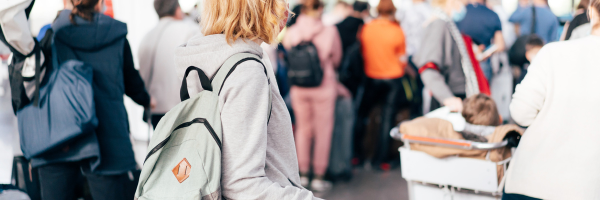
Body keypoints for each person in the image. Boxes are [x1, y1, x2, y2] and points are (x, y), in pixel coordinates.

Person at [176, 0, 320, 198]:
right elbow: (241, 184)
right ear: (261, 8)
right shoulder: (246, 70)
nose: (286, 11)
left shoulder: (205, 54)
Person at [36, 0, 152, 199]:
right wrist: (147, 100)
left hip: (59, 136)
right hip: (109, 136)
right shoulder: (116, 35)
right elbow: (131, 81)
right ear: (100, 3)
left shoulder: (52, 34)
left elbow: (36, 83)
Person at [505, 1, 600, 199]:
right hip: (586, 189)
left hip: (532, 184)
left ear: (591, 12)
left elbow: (521, 113)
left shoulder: (553, 53)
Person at [282, 0, 343, 191]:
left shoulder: (291, 32)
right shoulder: (330, 31)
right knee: (322, 131)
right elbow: (336, 59)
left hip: (299, 88)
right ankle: (318, 176)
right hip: (323, 86)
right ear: (319, 8)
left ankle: (303, 175)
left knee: (302, 130)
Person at [354, 0, 409, 169]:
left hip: (372, 77)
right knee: (387, 118)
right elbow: (402, 59)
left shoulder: (367, 28)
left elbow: (362, 52)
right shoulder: (397, 30)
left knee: (362, 115)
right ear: (393, 11)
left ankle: (358, 156)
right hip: (393, 79)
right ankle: (381, 160)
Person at [413, 0, 490, 113]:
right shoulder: (439, 24)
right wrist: (447, 98)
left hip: (456, 96)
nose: (466, 5)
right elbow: (428, 68)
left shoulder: (448, 24)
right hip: (451, 98)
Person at [138, 0, 199, 128]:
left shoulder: (146, 38)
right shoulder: (189, 31)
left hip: (155, 111)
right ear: (177, 10)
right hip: (182, 112)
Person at [457, 0, 505, 80]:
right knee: (483, 91)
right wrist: (484, 54)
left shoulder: (459, 12)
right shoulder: (492, 15)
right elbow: (500, 45)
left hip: (461, 60)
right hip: (482, 62)